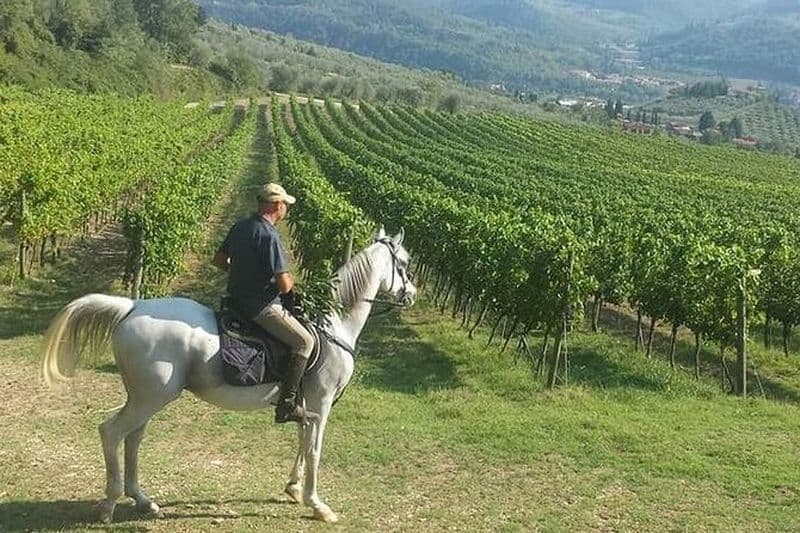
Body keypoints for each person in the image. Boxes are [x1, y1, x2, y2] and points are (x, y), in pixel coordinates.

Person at [212, 183, 316, 424]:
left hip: (235, 301)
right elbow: (284, 285)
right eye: (286, 205)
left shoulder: (241, 226)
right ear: (277, 205)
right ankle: (287, 405)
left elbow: (218, 260)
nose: (286, 210)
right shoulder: (269, 235)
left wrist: (239, 272)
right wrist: (290, 281)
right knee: (305, 342)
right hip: (261, 307)